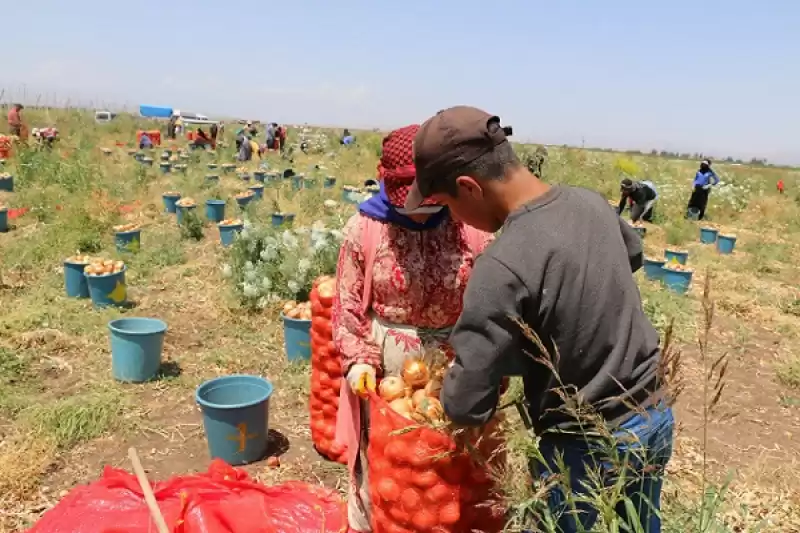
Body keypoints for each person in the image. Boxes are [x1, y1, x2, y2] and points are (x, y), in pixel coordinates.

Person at [404, 105, 672, 533]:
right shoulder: (588, 202)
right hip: (654, 414)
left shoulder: (501, 265)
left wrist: (453, 389)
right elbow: (632, 254)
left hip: (585, 446)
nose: (453, 218)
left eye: (447, 205)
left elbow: (467, 404)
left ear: (468, 187)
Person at [334, 124, 493, 533]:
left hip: (455, 372)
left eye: (425, 195)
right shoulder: (364, 230)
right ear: (381, 175)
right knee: (390, 468)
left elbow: (494, 304)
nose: (416, 208)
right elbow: (347, 305)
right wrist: (357, 362)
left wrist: (484, 364)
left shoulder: (470, 227)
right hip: (384, 369)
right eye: (405, 195)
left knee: (449, 472)